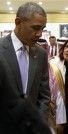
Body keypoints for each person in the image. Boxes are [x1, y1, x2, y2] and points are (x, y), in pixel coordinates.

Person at [0, 2, 51, 134]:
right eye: (35, 28)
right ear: (18, 22)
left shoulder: (41, 54)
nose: (40, 34)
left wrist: (38, 124)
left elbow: (44, 96)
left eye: (42, 28)